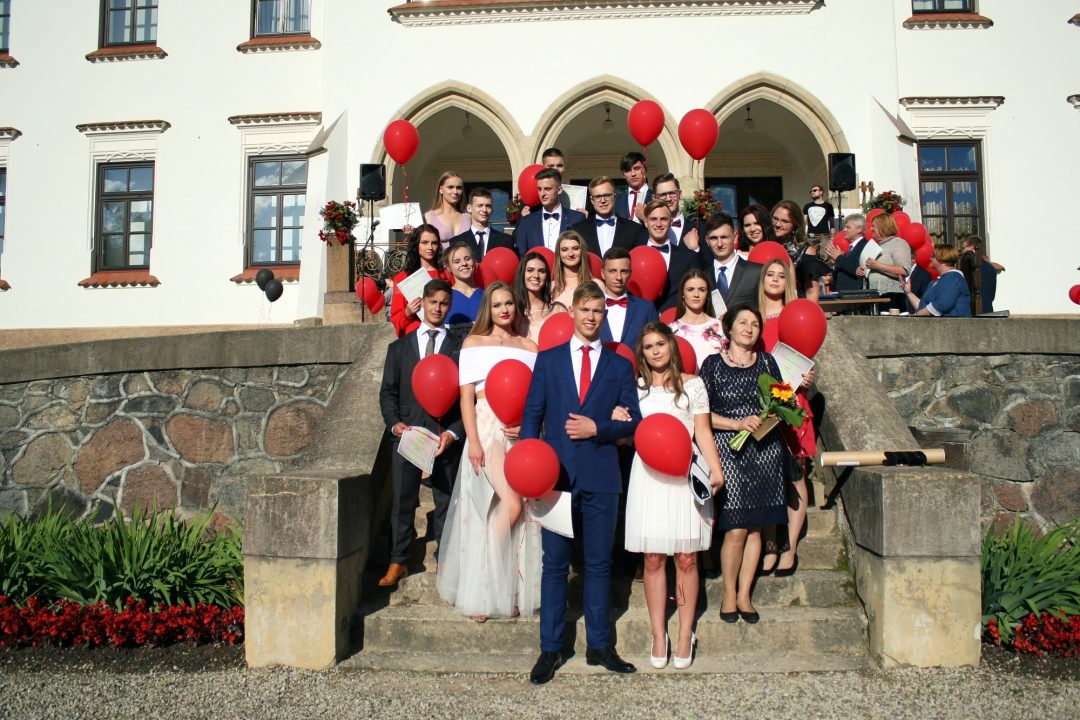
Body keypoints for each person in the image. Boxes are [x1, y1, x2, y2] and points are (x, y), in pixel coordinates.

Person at [522, 281, 642, 685]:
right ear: (572, 311)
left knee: (599, 563)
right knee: (555, 564)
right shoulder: (549, 360)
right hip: (555, 478)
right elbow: (532, 415)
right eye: (585, 309)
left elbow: (635, 421)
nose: (591, 317)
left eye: (598, 311)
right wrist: (529, 466)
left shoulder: (619, 365)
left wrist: (599, 428)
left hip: (602, 476)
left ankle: (600, 645)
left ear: (604, 316)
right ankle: (550, 648)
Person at [620, 322, 723, 670]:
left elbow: (703, 432)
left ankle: (685, 633)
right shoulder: (635, 388)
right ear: (643, 353)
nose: (655, 351)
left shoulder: (693, 385)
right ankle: (658, 633)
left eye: (660, 344)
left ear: (671, 346)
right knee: (652, 558)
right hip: (648, 476)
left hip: (684, 474)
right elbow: (627, 431)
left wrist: (715, 469)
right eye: (649, 346)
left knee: (687, 557)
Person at [436, 281, 541, 622]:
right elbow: (466, 397)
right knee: (499, 506)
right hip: (485, 429)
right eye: (497, 305)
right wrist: (474, 441)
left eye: (508, 303)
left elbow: (536, 397)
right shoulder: (473, 343)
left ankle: (508, 591)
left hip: (517, 431)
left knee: (520, 512)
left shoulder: (529, 347)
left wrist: (527, 425)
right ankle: (483, 586)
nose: (504, 310)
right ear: (488, 309)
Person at [699, 304, 788, 624]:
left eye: (755, 324)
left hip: (765, 452)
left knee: (755, 529)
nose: (749, 329)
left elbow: (782, 404)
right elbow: (701, 415)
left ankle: (744, 594)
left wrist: (776, 411)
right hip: (729, 452)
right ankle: (728, 593)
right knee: (736, 528)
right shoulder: (712, 365)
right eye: (743, 323)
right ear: (729, 328)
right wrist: (737, 424)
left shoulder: (768, 362)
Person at [378, 279, 465, 587]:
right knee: (403, 501)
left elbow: (467, 397)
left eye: (444, 303)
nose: (438, 308)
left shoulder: (460, 347)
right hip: (409, 436)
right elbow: (388, 392)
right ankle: (398, 560)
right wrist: (394, 424)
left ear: (449, 306)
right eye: (433, 302)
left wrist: (454, 432)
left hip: (444, 439)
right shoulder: (399, 348)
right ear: (423, 303)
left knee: (445, 502)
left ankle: (445, 558)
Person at [755, 259, 817, 576]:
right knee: (766, 477)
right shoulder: (752, 317)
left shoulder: (796, 315)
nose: (776, 280)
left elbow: (806, 355)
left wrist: (808, 377)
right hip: (760, 403)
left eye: (782, 275)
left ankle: (789, 548)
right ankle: (769, 544)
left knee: (795, 475)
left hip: (792, 400)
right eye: (770, 274)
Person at [390, 224, 453, 337]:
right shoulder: (403, 277)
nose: (430, 247)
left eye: (434, 243)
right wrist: (407, 313)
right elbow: (396, 319)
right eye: (425, 242)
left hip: (442, 335)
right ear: (416, 245)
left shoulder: (446, 275)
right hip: (414, 337)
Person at [638, 199, 699, 311]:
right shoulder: (634, 257)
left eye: (664, 219)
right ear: (646, 222)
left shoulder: (687, 258)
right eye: (653, 219)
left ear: (671, 222)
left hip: (675, 318)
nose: (658, 224)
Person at [570, 176, 647, 258]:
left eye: (607, 195)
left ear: (614, 197)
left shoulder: (634, 229)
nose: (603, 201)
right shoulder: (578, 230)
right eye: (598, 197)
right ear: (592, 200)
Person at [513, 169, 586, 255]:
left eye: (547, 189)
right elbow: (522, 254)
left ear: (559, 190)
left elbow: (583, 251)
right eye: (539, 189)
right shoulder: (527, 221)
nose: (542, 194)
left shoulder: (577, 218)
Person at [700, 213, 762, 311]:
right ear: (707, 240)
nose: (719, 244)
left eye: (724, 237)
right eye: (714, 238)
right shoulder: (702, 277)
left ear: (735, 236)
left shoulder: (756, 272)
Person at [598, 246, 658, 347]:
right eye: (612, 271)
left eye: (624, 271)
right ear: (603, 274)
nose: (618, 277)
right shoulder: (590, 308)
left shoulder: (645, 309)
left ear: (630, 274)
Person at [669, 268, 725, 362]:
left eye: (702, 290)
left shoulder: (720, 327)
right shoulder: (671, 331)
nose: (696, 294)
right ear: (682, 293)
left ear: (707, 294)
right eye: (690, 289)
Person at [513, 250, 567, 344]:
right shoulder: (513, 311)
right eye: (530, 270)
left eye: (541, 271)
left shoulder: (558, 310)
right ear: (522, 273)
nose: (536, 275)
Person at [773, 200, 822, 301]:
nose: (778, 224)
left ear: (795, 225)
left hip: (795, 304)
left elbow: (812, 290)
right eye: (775, 218)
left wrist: (808, 310)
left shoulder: (806, 250)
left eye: (785, 221)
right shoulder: (764, 244)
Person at [904, 244, 972, 317]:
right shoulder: (937, 281)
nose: (930, 258)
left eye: (933, 256)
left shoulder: (953, 277)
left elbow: (942, 305)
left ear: (942, 259)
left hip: (954, 323)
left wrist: (916, 315)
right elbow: (923, 307)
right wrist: (908, 292)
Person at [449, 187, 516, 261]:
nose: (484, 210)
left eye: (488, 206)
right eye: (480, 205)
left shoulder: (505, 240)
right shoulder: (457, 242)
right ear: (469, 208)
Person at [865, 213, 912, 311]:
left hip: (892, 296)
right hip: (875, 296)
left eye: (874, 226)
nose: (871, 229)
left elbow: (904, 270)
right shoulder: (877, 246)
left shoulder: (898, 243)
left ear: (882, 227)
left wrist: (878, 266)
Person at [416, 171, 470, 247]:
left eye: (459, 188)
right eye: (450, 187)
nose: (455, 191)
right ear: (441, 189)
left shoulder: (468, 217)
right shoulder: (429, 217)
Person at [653, 173, 702, 251]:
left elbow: (708, 258)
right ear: (654, 198)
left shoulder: (699, 228)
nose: (668, 199)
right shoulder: (646, 233)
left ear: (680, 194)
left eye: (672, 193)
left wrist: (695, 249)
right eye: (663, 195)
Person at [444, 240, 483, 329]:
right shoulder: (446, 297)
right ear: (449, 267)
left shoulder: (487, 295)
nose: (464, 263)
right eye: (457, 261)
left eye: (467, 259)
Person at [826, 214, 869, 292]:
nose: (844, 230)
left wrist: (838, 257)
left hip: (854, 293)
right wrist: (834, 263)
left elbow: (859, 269)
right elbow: (846, 265)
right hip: (842, 292)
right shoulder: (851, 247)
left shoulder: (865, 246)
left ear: (859, 229)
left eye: (848, 227)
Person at [551, 230, 593, 308]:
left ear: (582, 251)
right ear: (559, 253)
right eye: (564, 249)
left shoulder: (596, 285)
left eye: (575, 248)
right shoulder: (550, 287)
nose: (570, 254)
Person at [959, 235, 1000, 314]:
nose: (962, 252)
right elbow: (992, 296)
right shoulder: (990, 268)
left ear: (972, 248)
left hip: (973, 312)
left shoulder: (968, 267)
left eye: (963, 248)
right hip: (987, 311)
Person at [615, 151, 652, 224]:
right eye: (628, 170)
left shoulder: (656, 197)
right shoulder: (616, 200)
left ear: (645, 169)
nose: (633, 174)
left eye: (636, 168)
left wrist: (645, 218)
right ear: (623, 174)